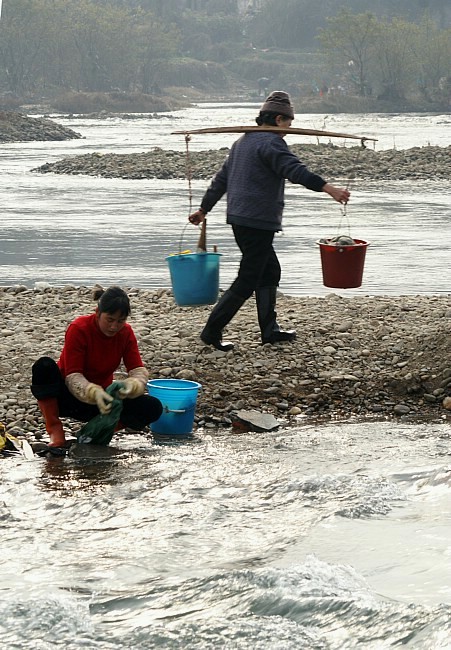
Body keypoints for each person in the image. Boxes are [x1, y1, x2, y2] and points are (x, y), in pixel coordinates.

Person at [188, 90, 351, 352]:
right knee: (249, 276)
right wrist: (328, 188)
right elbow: (294, 170)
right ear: (277, 119)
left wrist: (204, 209)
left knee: (269, 270)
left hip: (241, 219)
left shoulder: (243, 142)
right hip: (257, 220)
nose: (288, 129)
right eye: (287, 123)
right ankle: (212, 330)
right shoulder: (271, 143)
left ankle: (269, 330)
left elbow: (221, 179)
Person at [30, 286, 163, 448]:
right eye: (110, 319)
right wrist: (93, 392)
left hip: (103, 403)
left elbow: (137, 370)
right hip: (67, 398)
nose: (114, 326)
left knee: (153, 407)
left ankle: (98, 431)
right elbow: (73, 375)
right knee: (43, 366)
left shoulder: (126, 333)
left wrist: (133, 385)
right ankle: (55, 431)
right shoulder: (79, 328)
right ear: (98, 312)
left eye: (120, 321)